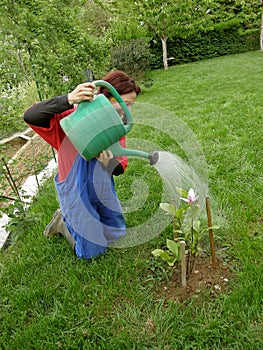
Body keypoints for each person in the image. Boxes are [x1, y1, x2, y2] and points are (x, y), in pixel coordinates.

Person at [24, 70, 141, 259]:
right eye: (125, 104)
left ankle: (89, 225)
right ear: (106, 97)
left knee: (116, 235)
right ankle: (62, 224)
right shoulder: (71, 119)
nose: (126, 110)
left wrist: (108, 163)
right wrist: (69, 98)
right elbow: (31, 115)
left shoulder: (115, 128)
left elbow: (119, 168)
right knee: (92, 252)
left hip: (102, 186)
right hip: (74, 188)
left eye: (130, 105)